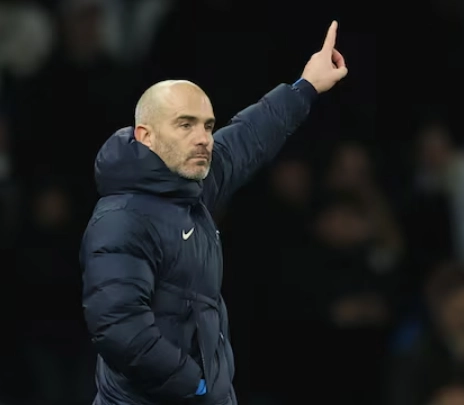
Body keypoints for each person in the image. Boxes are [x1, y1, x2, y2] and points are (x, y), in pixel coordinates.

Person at [79, 21, 348, 405]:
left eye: (207, 125)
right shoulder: (123, 217)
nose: (203, 137)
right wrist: (195, 385)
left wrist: (305, 86)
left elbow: (247, 137)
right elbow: (119, 329)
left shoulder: (191, 186)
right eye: (185, 125)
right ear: (146, 136)